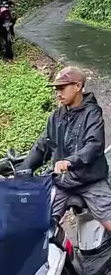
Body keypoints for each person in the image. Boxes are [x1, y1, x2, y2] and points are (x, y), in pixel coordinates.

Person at [22, 66, 111, 229]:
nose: (58, 93)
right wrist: (24, 170)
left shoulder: (92, 113)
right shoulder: (56, 117)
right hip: (62, 182)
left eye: (62, 88)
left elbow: (94, 145)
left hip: (91, 181)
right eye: (56, 89)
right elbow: (42, 146)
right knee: (39, 224)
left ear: (78, 86)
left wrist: (69, 162)